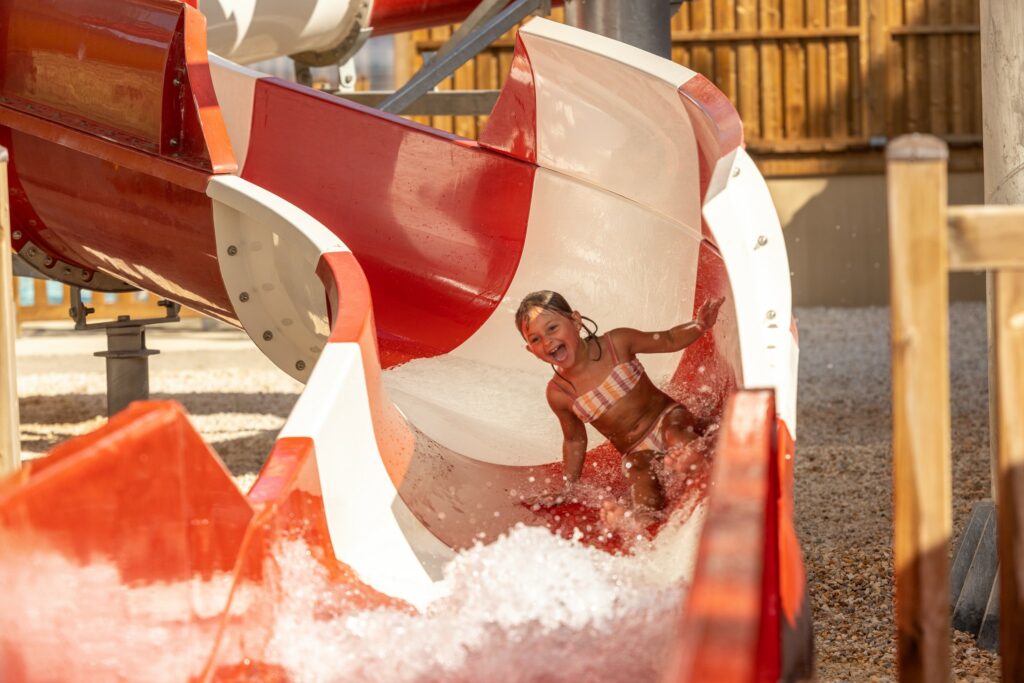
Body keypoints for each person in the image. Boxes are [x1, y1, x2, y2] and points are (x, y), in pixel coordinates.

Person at [516, 290, 724, 518]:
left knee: (676, 433)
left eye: (552, 328)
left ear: (575, 321)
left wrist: (699, 325)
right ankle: (639, 519)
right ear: (530, 350)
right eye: (535, 339)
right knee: (636, 471)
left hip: (665, 417)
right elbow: (575, 439)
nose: (547, 341)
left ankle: (693, 458)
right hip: (635, 450)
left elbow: (669, 339)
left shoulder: (617, 343)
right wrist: (569, 486)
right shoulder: (559, 393)